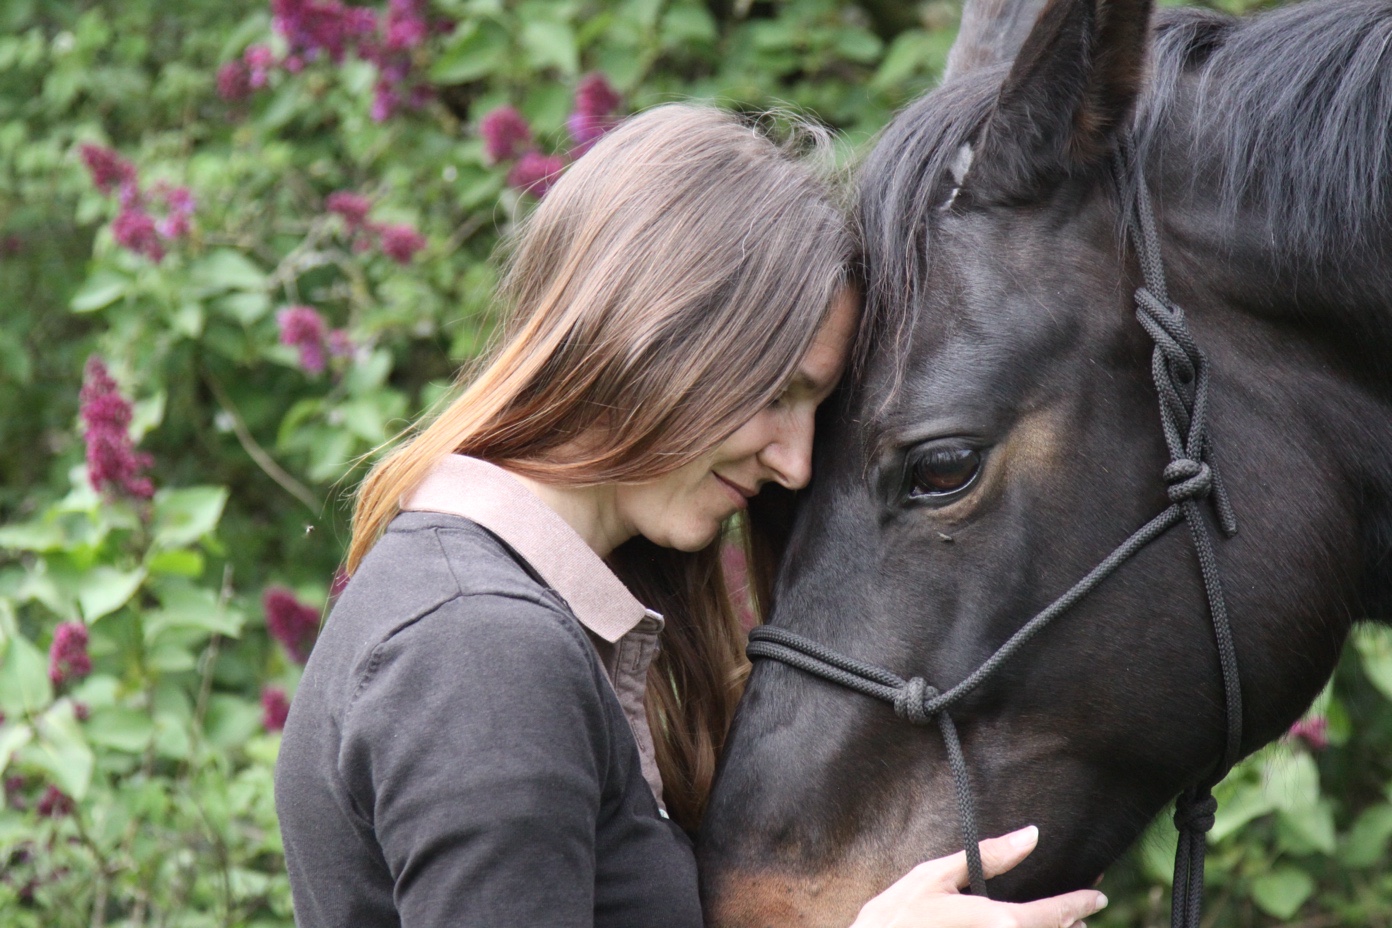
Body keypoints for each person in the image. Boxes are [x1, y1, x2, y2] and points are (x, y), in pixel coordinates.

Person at [274, 103, 1108, 928]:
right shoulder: (480, 649)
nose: (795, 461)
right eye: (778, 392)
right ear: (660, 338)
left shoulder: (491, 614)